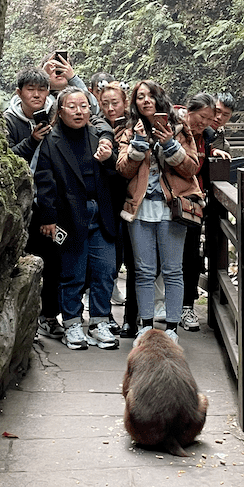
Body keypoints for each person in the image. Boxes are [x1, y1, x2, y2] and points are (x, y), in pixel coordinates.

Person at [117, 80, 202, 343]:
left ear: (159, 99)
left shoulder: (178, 128)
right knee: (143, 271)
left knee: (173, 269)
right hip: (140, 208)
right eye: (140, 96)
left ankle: (172, 328)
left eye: (151, 96)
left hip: (172, 208)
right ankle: (145, 325)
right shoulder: (130, 131)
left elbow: (191, 168)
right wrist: (138, 145)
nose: (146, 100)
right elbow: (123, 170)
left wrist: (170, 145)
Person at [35, 88, 120, 349]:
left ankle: (99, 321)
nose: (79, 111)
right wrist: (48, 218)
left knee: (105, 270)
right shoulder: (51, 140)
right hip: (69, 214)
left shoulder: (99, 136)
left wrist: (109, 160)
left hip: (101, 212)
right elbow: (44, 181)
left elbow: (116, 175)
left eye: (83, 106)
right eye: (71, 106)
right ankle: (72, 323)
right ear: (60, 111)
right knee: (72, 271)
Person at [4, 69, 62, 339]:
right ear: (19, 92)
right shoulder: (9, 121)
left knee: (51, 262)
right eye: (30, 89)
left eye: (42, 89)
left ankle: (49, 317)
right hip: (18, 204)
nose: (37, 94)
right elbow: (6, 159)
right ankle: (23, 321)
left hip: (47, 202)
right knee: (20, 262)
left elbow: (87, 106)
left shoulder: (56, 116)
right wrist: (32, 141)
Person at [97, 80, 138, 338]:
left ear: (125, 103)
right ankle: (105, 316)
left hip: (131, 202)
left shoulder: (134, 129)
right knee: (109, 263)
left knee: (133, 262)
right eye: (105, 104)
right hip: (106, 203)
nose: (111, 108)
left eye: (116, 103)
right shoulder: (96, 128)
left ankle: (131, 320)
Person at [176, 94, 219, 332]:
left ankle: (186, 307)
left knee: (191, 258)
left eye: (209, 119)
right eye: (202, 117)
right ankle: (162, 308)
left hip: (193, 205)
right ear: (189, 111)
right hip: (170, 200)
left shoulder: (207, 139)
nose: (204, 123)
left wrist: (214, 154)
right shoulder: (175, 128)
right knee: (167, 259)